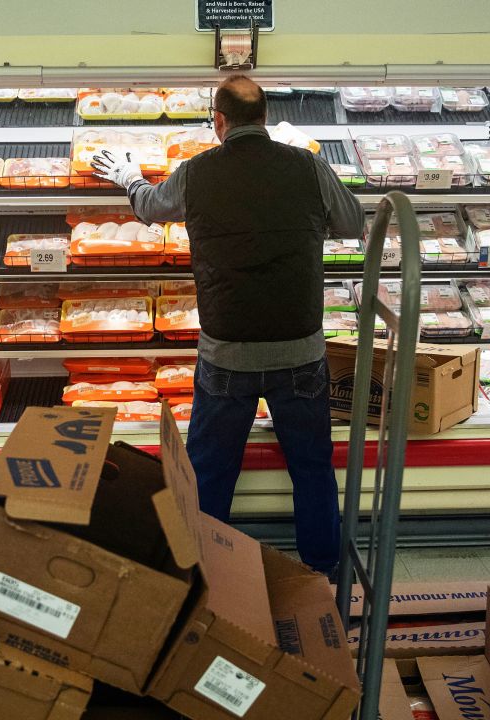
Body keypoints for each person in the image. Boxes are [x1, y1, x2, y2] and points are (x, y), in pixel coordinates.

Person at [91, 75, 365, 574]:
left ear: (219, 122)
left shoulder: (198, 172)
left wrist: (128, 176)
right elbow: (352, 223)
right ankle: (322, 573)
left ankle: (197, 573)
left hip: (226, 355)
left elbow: (151, 208)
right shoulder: (307, 165)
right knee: (313, 471)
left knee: (210, 475)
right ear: (265, 119)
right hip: (300, 352)